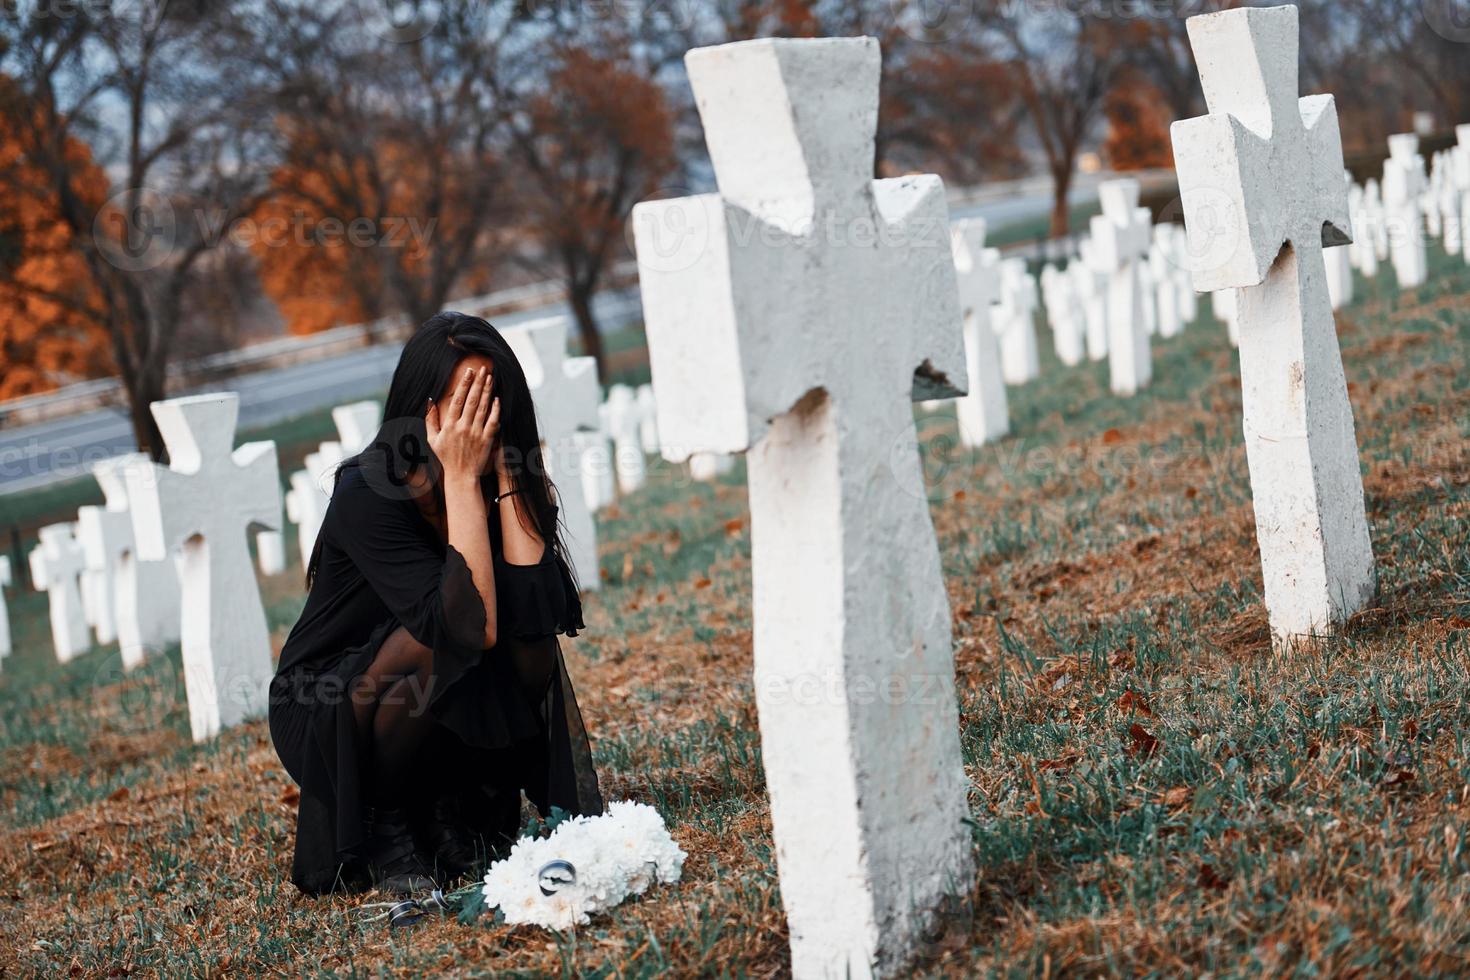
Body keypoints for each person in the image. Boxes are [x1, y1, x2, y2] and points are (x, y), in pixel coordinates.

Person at [269, 312, 602, 896]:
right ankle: (390, 824)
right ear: (420, 408)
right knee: (435, 637)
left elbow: (533, 614)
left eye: (489, 398)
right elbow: (464, 629)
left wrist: (500, 478)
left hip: (439, 683)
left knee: (530, 644)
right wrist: (460, 478)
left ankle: (457, 806)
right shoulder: (368, 491)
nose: (476, 417)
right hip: (333, 705)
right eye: (460, 399)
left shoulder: (503, 473)